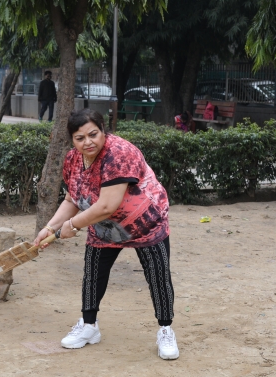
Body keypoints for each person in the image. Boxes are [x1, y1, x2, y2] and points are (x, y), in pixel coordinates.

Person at [33, 108, 179, 360]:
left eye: (93, 134)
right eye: (80, 138)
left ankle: (166, 330)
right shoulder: (73, 159)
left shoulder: (119, 153)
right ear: (72, 140)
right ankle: (89, 327)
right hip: (104, 226)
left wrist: (74, 226)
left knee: (158, 276)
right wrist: (50, 227)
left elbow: (106, 205)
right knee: (93, 274)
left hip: (145, 222)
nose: (88, 142)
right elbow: (72, 199)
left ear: (103, 130)